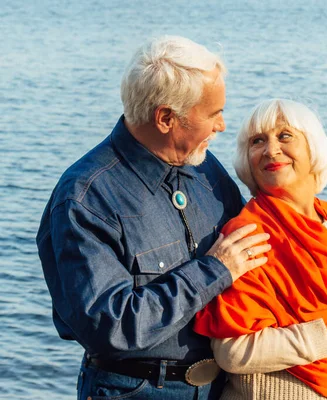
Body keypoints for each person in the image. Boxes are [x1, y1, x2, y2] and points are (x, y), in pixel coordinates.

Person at [36, 35, 275, 400]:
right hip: (136, 390)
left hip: (220, 388)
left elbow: (256, 243)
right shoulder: (85, 197)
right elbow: (111, 326)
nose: (222, 126)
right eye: (213, 114)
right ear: (166, 118)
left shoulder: (204, 167)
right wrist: (214, 270)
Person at [194, 99, 327, 399]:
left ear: (314, 148)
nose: (271, 150)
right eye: (258, 141)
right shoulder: (250, 236)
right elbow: (232, 351)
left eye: (285, 136)